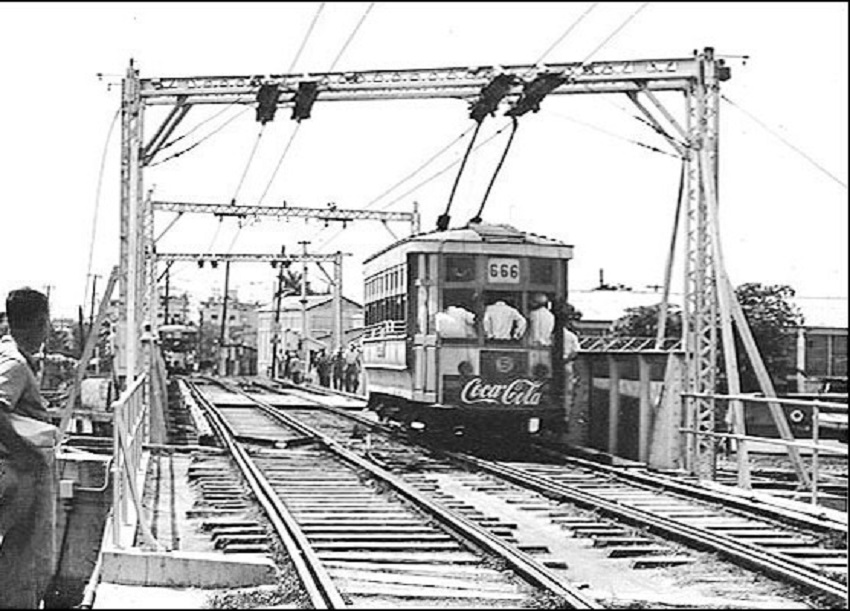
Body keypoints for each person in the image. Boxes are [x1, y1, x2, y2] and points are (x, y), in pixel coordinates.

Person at [0, 287, 56, 609]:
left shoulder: (11, 355)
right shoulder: (15, 363)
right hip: (18, 472)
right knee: (24, 555)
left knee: (19, 554)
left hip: (13, 469)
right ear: (39, 322)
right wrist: (26, 453)